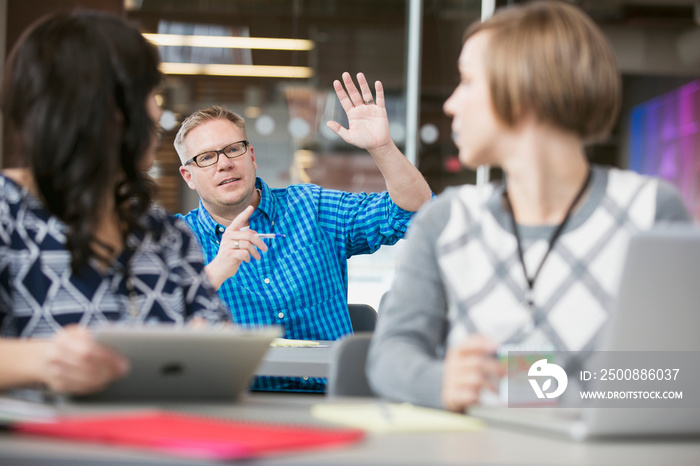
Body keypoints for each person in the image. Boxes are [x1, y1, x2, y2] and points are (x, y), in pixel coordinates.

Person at [366, 0, 691, 412]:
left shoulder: (649, 212)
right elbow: (389, 356)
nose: (450, 104)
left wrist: (508, 384)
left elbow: (675, 376)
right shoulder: (446, 221)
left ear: (523, 90)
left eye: (467, 82)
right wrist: (440, 380)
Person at [0, 11, 230, 397]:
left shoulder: (164, 233)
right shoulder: (8, 213)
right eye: (148, 96)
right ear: (100, 108)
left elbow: (216, 337)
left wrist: (211, 351)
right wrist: (43, 361)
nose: (158, 115)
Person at [174, 73, 433, 392]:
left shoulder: (311, 207)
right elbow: (146, 325)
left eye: (233, 149)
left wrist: (383, 148)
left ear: (251, 156)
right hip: (238, 405)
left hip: (333, 399)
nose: (224, 164)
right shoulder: (174, 240)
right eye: (206, 157)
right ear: (188, 175)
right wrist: (214, 272)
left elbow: (414, 213)